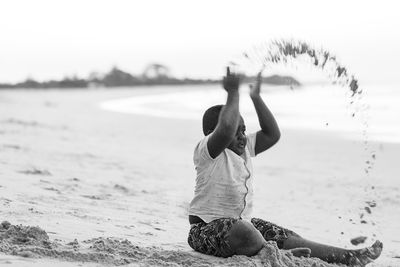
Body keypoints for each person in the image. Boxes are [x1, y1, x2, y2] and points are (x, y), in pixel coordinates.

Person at [187, 67, 383, 266]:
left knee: (285, 236)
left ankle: (349, 257)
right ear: (212, 133)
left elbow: (272, 134)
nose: (242, 136)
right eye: (236, 132)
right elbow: (226, 129)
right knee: (245, 232)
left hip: (241, 223)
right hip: (205, 230)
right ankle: (277, 255)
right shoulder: (208, 151)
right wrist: (233, 93)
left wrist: (256, 98)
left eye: (244, 130)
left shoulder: (244, 148)